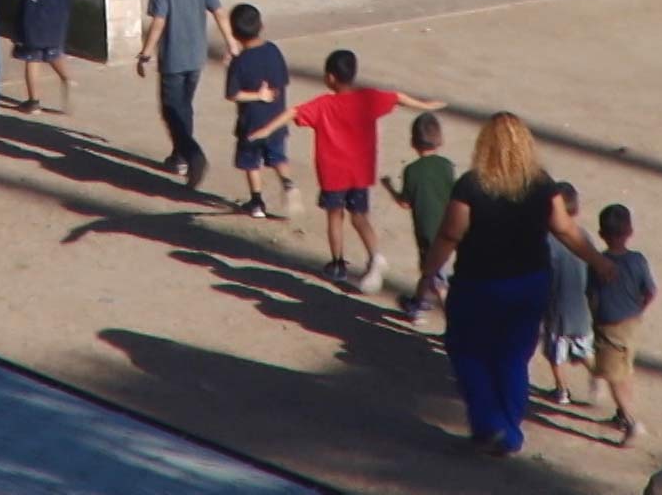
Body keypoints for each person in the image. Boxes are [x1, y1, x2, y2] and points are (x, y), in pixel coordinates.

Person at [416, 113, 615, 458]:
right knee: (512, 357)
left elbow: (451, 233)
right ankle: (508, 432)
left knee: (468, 352)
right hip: (527, 284)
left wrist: (428, 271)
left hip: (477, 283)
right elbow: (566, 230)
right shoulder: (541, 185)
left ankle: (489, 426)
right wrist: (599, 261)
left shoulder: (471, 185)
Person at [247, 50, 443, 289]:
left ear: (330, 77)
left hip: (333, 175)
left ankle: (338, 264)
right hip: (360, 173)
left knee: (335, 217)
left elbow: (294, 112)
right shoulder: (368, 99)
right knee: (360, 217)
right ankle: (375, 255)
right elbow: (398, 97)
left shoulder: (323, 105)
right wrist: (425, 104)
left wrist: (266, 130)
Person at [136, 0, 238, 189]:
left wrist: (145, 53)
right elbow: (219, 12)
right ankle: (179, 155)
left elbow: (159, 23)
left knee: (171, 110)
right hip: (196, 58)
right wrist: (231, 42)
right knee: (184, 106)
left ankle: (192, 155)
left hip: (173, 59)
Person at [589, 203, 658, 447]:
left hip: (609, 326)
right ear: (630, 231)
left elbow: (592, 296)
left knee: (613, 376)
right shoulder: (638, 261)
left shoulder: (597, 264)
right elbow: (650, 291)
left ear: (601, 234)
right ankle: (621, 416)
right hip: (632, 324)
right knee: (626, 369)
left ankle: (630, 420)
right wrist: (639, 310)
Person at [222, 4, 296, 218]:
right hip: (276, 119)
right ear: (261, 25)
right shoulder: (273, 50)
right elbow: (283, 81)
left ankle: (256, 202)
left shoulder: (240, 62)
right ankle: (288, 183)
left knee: (251, 162)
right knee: (278, 156)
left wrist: (256, 95)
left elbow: (232, 94)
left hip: (251, 122)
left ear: (235, 34)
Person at [381, 112, 454, 316]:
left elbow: (404, 203)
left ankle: (454, 324)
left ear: (413, 142)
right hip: (449, 228)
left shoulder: (412, 171)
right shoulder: (446, 166)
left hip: (427, 232)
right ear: (439, 139)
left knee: (438, 280)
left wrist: (389, 187)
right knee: (429, 271)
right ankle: (418, 303)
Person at [542, 181, 595, 405]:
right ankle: (599, 375)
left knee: (556, 354)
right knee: (584, 348)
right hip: (581, 309)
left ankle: (561, 389)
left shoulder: (546, 242)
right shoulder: (583, 235)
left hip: (557, 311)